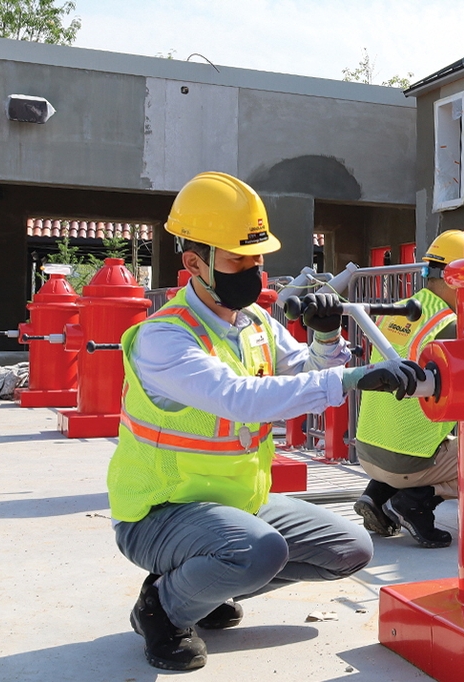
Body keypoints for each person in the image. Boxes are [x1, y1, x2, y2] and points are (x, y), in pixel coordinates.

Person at [106, 171, 426, 671]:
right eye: (239, 260)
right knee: (256, 551)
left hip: (237, 506)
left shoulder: (254, 323)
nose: (254, 272)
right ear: (194, 262)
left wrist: (324, 337)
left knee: (350, 549)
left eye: (258, 259)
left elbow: (309, 377)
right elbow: (241, 400)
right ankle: (164, 609)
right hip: (159, 514)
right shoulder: (164, 339)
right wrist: (353, 378)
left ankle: (204, 588)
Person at [352, 230, 464, 548]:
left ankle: (376, 495)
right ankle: (416, 501)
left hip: (366, 450)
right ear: (458, 278)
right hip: (405, 463)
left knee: (414, 428)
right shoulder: (451, 325)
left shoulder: (401, 310)